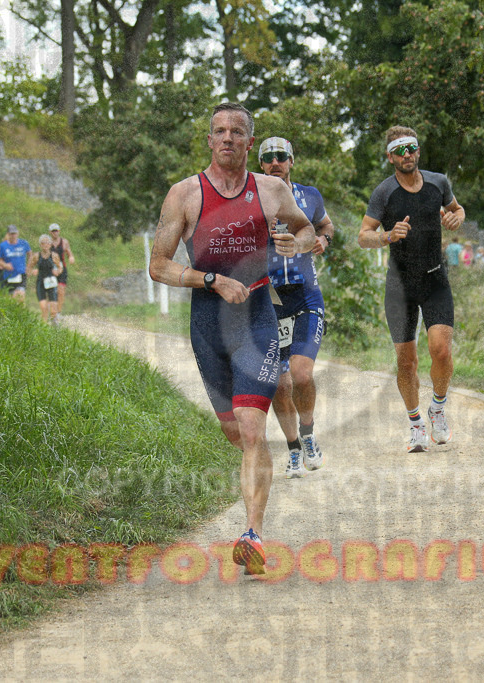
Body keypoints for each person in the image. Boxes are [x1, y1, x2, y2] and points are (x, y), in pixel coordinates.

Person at [148, 103, 315, 575]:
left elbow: (306, 231)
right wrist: (210, 281)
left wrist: (295, 244)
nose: (226, 138)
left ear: (248, 141)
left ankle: (253, 534)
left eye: (236, 132)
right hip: (207, 322)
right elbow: (158, 265)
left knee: (252, 428)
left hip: (258, 316)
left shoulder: (271, 189)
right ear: (209, 140)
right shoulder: (183, 195)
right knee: (233, 432)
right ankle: (253, 510)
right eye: (218, 131)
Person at [358, 126, 465, 453]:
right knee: (406, 362)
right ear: (390, 156)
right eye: (400, 149)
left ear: (418, 151)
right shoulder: (384, 193)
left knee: (441, 350)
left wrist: (456, 218)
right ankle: (416, 423)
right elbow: (363, 236)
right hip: (400, 287)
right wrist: (388, 235)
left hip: (435, 280)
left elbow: (457, 209)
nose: (407, 154)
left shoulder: (438, 183)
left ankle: (437, 407)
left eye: (412, 148)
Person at [258, 136, 334, 479]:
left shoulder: (310, 196)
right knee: (279, 384)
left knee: (302, 375)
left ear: (292, 161)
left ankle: (308, 433)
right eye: (268, 157)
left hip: (305, 295)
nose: (275, 162)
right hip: (269, 299)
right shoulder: (251, 199)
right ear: (260, 165)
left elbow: (326, 225)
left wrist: (323, 239)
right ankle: (292, 449)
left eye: (281, 157)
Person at [0, 225, 33, 302]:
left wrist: (28, 267)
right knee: (9, 300)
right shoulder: (3, 246)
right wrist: (5, 265)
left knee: (20, 297)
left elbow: (30, 254)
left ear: (17, 233)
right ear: (8, 234)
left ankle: (20, 312)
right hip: (7, 276)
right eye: (11, 234)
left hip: (20, 274)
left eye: (14, 233)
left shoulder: (24, 243)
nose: (13, 236)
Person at [30, 233, 65, 324]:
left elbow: (60, 267)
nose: (45, 245)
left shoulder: (54, 256)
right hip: (40, 283)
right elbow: (29, 268)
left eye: (47, 243)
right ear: (40, 245)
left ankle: (55, 326)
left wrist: (58, 271)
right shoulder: (36, 256)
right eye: (43, 243)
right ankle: (44, 328)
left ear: (50, 245)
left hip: (51, 283)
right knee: (44, 308)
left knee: (53, 309)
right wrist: (33, 271)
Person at [49, 223, 75, 316]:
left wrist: (71, 258)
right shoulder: (47, 243)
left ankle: (58, 313)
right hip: (51, 270)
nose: (55, 233)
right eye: (53, 231)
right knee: (51, 291)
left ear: (59, 231)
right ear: (50, 232)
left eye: (56, 231)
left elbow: (69, 253)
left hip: (62, 269)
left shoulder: (64, 242)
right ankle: (52, 312)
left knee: (61, 291)